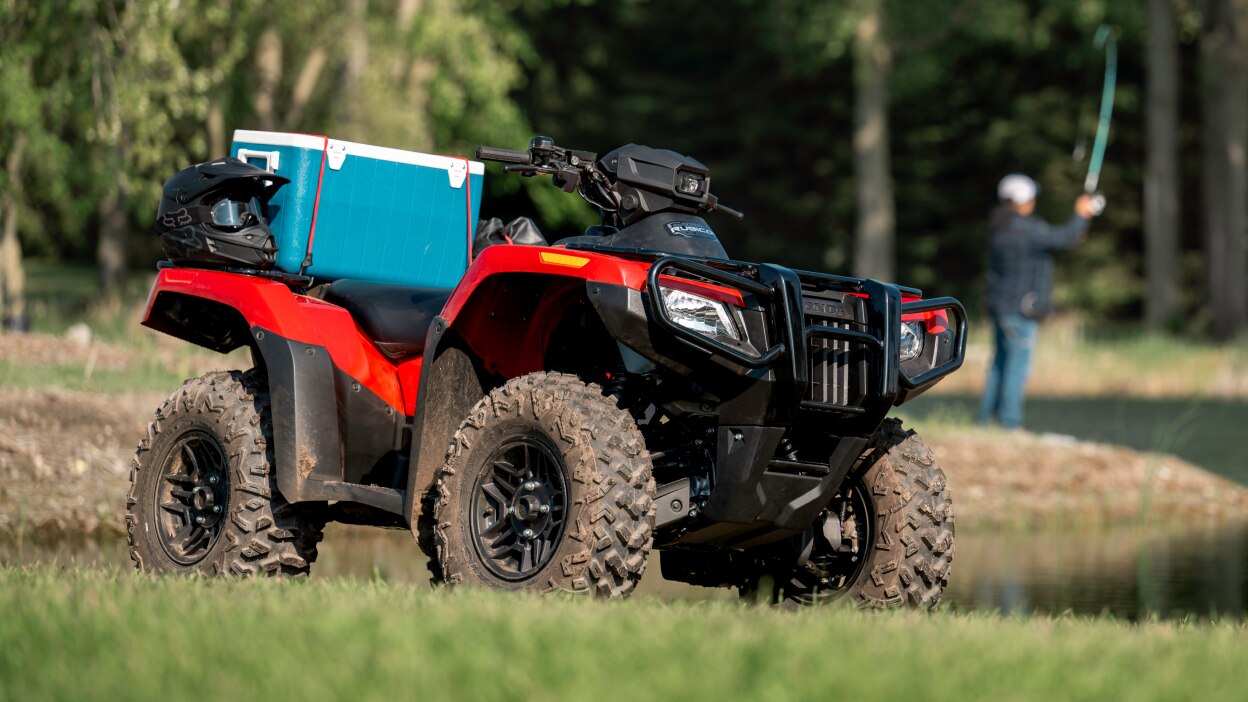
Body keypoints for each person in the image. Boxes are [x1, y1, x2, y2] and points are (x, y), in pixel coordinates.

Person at [978, 174, 1100, 429]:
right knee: (1017, 366)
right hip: (1020, 310)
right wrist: (1082, 213)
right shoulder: (1027, 229)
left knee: (999, 364)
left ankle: (985, 420)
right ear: (1023, 201)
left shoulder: (999, 228)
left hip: (1000, 307)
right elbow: (1067, 237)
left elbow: (1064, 238)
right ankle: (1010, 423)